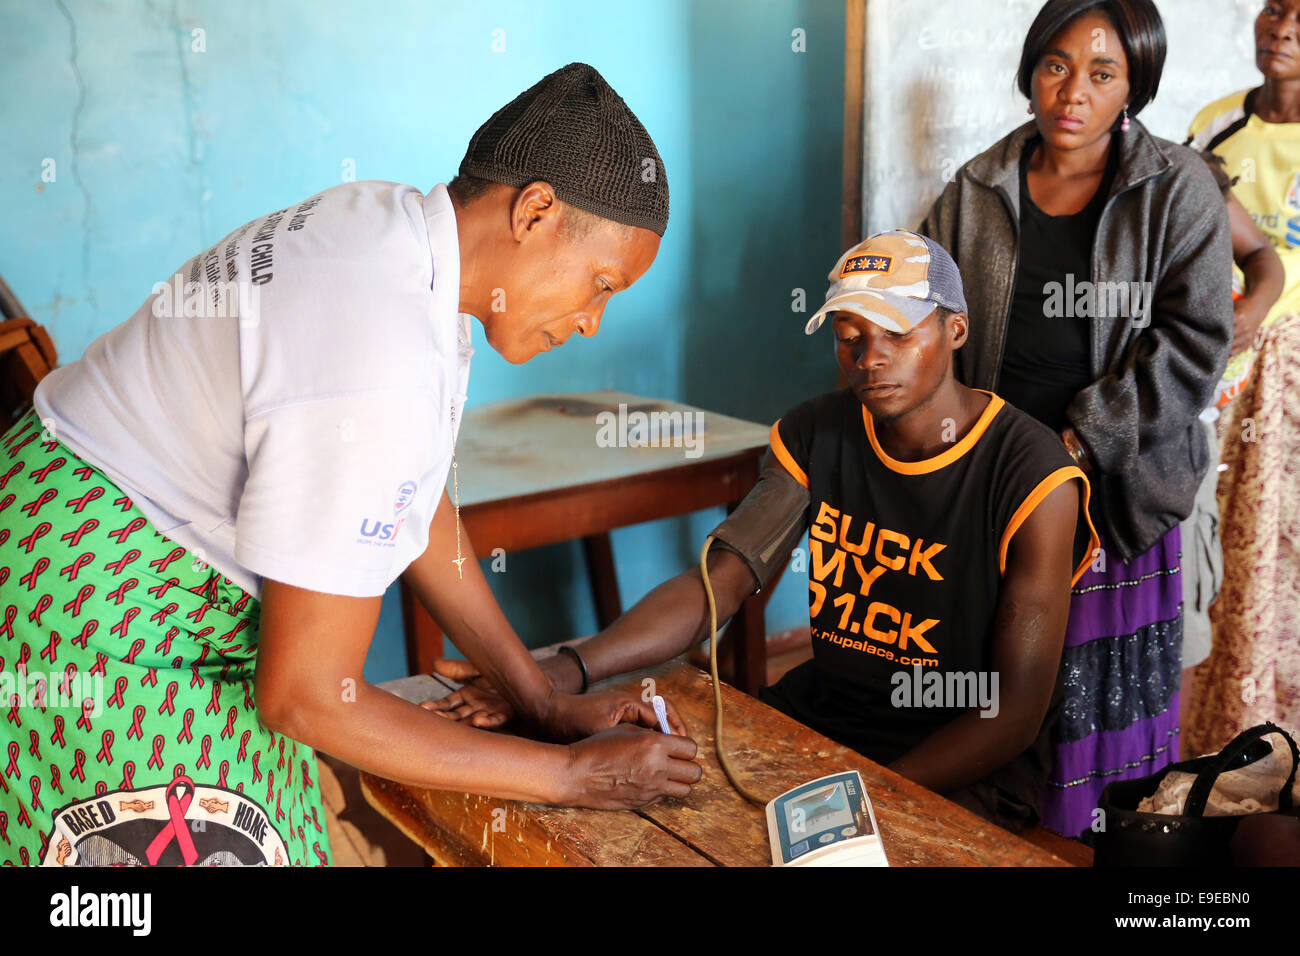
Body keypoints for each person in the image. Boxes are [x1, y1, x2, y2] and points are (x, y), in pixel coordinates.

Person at [0, 62, 702, 868]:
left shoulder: (388, 232)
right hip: (79, 628)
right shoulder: (381, 347)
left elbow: (415, 504)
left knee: (296, 835)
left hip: (80, 539)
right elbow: (304, 695)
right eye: (600, 285)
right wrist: (571, 777)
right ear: (536, 212)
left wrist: (539, 701)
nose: (590, 323)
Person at [430, 229, 1100, 834]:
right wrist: (559, 673)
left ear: (955, 331)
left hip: (961, 753)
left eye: (898, 334)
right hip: (828, 718)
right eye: (849, 335)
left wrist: (869, 797)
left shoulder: (1033, 475)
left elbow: (1014, 710)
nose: (869, 358)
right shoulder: (815, 434)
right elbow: (717, 586)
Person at [917, 0, 1233, 839]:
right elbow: (925, 306)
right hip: (996, 482)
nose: (1072, 91)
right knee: (997, 689)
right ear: (1030, 71)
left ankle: (1095, 848)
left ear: (1135, 86)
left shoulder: (1178, 190)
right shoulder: (977, 187)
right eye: (1055, 64)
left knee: (1091, 716)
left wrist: (1076, 444)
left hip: (1116, 492)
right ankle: (994, 839)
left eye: (1102, 73)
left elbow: (1195, 346)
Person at [1183, 0, 1300, 756]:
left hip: (1287, 379)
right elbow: (1191, 232)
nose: (1285, 24)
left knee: (1278, 554)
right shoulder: (1217, 121)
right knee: (1217, 543)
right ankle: (1215, 725)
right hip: (1216, 366)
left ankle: (1278, 728)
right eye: (1277, 5)